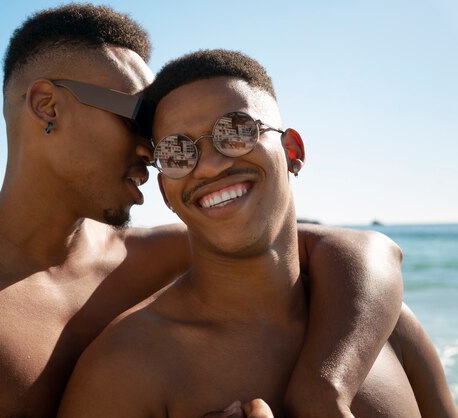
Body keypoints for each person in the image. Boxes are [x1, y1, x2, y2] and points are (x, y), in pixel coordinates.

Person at [0, 5, 405, 418]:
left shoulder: (156, 256)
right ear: (48, 106)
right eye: (138, 122)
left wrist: (321, 387)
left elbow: (363, 250)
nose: (152, 151)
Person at [57, 49, 458, 418]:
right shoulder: (125, 368)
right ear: (166, 192)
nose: (210, 166)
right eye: (178, 152)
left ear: (293, 152)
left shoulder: (382, 323)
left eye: (235, 131)